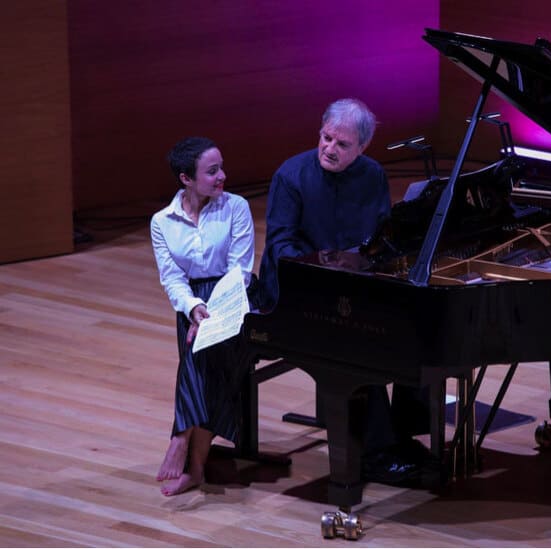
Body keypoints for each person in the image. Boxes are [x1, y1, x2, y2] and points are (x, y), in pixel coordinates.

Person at [260, 98, 432, 484]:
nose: (329, 149)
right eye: (326, 138)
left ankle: (403, 435)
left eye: (342, 144)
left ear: (362, 147)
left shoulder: (372, 175)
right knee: (358, 346)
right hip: (297, 294)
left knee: (417, 329)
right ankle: (375, 453)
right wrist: (326, 268)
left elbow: (380, 237)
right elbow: (281, 247)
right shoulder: (291, 176)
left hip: (352, 286)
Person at [151, 136, 258, 496]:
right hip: (193, 302)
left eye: (221, 168)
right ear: (186, 179)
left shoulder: (236, 207)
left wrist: (212, 314)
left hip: (233, 300)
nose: (222, 176)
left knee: (201, 359)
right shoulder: (162, 222)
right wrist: (194, 309)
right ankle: (195, 465)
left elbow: (240, 269)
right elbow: (172, 278)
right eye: (212, 172)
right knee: (199, 360)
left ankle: (181, 439)